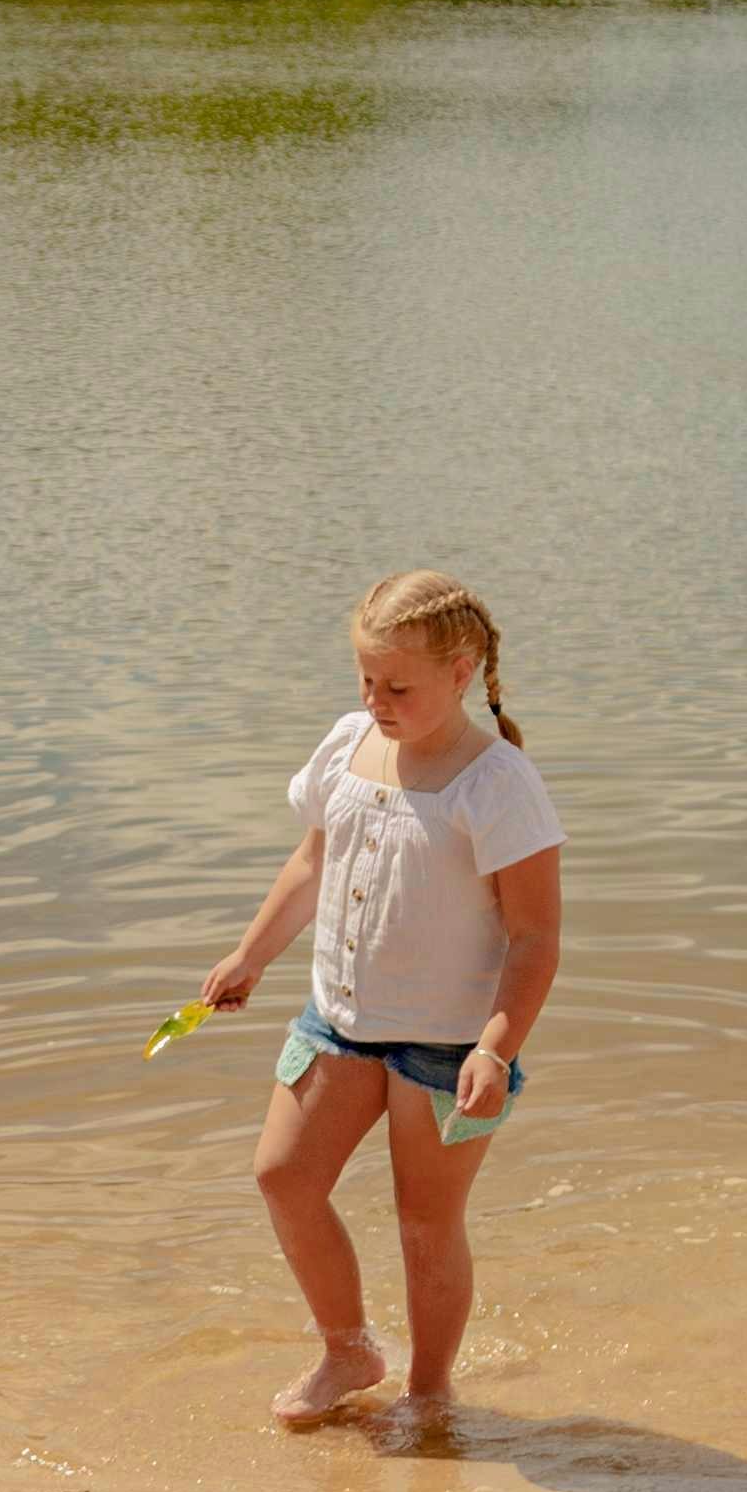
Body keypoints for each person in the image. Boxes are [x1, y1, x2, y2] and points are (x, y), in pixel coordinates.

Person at [194, 571, 563, 1433]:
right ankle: (347, 1350)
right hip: (339, 1020)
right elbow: (312, 861)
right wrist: (250, 954)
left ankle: (430, 1390)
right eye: (366, 680)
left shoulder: (498, 784)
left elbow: (536, 937)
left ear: (462, 670)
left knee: (425, 1223)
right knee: (282, 1175)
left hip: (449, 1044)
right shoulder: (346, 743)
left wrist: (497, 1047)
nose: (376, 700)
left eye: (398, 686)